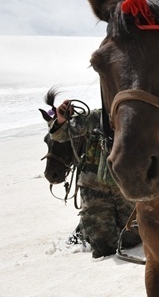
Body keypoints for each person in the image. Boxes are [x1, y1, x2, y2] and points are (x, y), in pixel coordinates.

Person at [46, 100, 141, 258]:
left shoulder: (137, 118)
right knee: (105, 247)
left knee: (132, 239)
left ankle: (87, 227)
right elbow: (60, 135)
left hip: (126, 189)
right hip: (95, 190)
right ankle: (86, 228)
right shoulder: (96, 117)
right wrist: (61, 119)